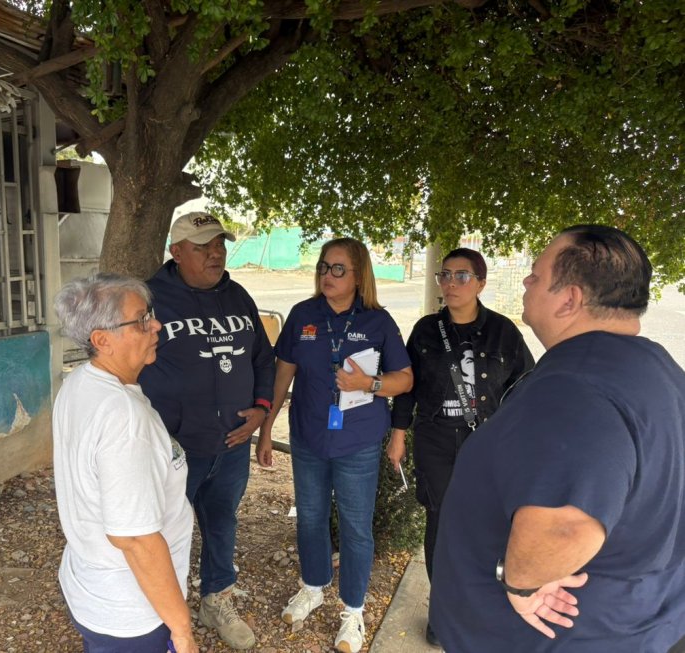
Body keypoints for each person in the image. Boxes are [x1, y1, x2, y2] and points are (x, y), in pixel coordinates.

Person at [430, 225, 685, 652]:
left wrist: (520, 581)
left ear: (569, 300)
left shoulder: (574, 389)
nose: (526, 281)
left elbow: (566, 527)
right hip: (640, 621)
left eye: (535, 274)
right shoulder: (659, 368)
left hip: (561, 638)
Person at [257, 237, 413, 653]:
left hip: (357, 441)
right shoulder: (303, 315)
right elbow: (283, 374)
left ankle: (353, 611)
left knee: (356, 527)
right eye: (324, 267)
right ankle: (313, 587)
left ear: (359, 275)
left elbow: (404, 380)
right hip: (309, 437)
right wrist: (267, 427)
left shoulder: (378, 322)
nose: (328, 275)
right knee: (310, 518)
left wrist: (369, 384)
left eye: (338, 268)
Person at [138, 212, 275, 650]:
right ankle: (162, 614)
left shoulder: (238, 296)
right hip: (176, 448)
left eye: (219, 245)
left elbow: (262, 358)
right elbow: (126, 366)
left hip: (232, 444)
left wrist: (262, 408)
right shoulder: (148, 300)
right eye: (203, 247)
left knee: (222, 523)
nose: (216, 254)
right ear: (177, 252)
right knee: (164, 532)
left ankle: (216, 599)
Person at [390, 248, 534, 647]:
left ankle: (479, 603)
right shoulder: (425, 331)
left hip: (486, 443)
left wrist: (519, 442)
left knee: (486, 523)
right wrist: (398, 434)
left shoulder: (504, 332)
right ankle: (443, 608)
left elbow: (526, 386)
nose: (451, 283)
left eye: (462, 276)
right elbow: (406, 387)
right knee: (440, 522)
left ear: (481, 283)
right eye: (445, 275)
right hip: (436, 440)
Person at [52, 274, 198, 653]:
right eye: (141, 320)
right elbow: (134, 537)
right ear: (102, 340)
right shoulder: (123, 417)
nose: (156, 325)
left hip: (91, 584)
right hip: (130, 611)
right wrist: (182, 630)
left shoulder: (80, 382)